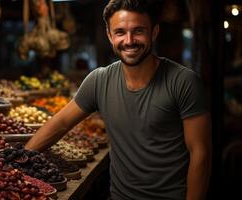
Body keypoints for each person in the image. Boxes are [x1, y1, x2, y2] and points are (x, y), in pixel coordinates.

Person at [25, 0, 212, 199]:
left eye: (138, 31)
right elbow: (60, 123)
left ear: (154, 33)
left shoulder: (183, 81)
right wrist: (19, 158)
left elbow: (200, 153)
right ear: (110, 36)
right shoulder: (99, 80)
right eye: (120, 32)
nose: (129, 40)